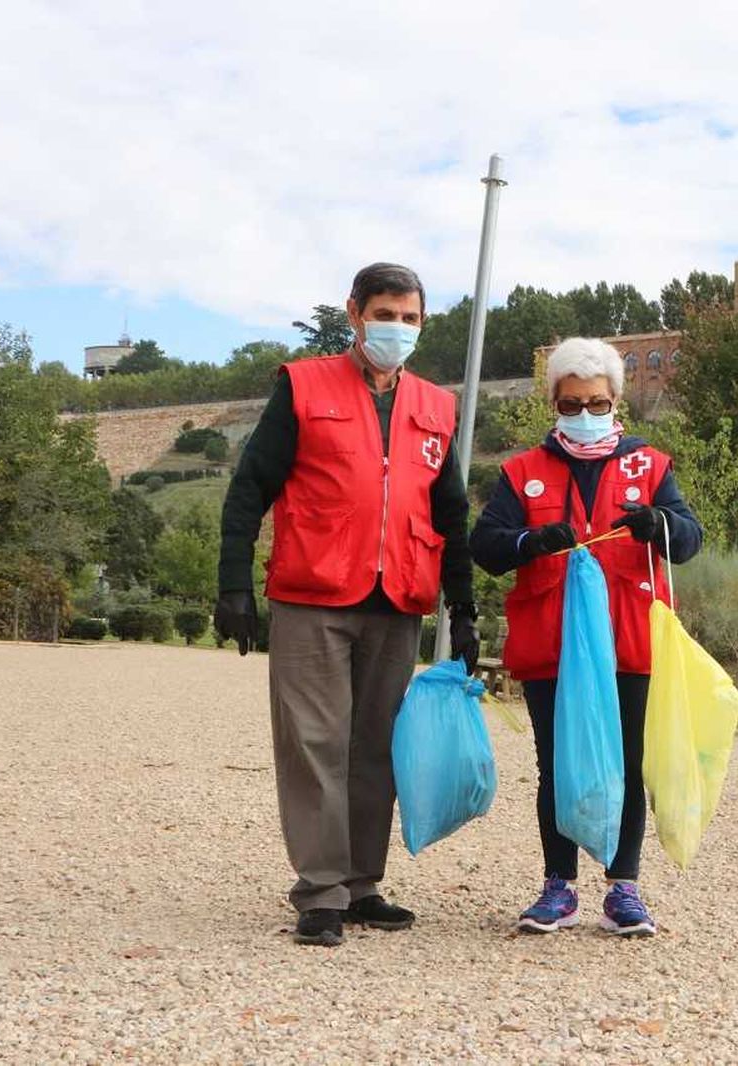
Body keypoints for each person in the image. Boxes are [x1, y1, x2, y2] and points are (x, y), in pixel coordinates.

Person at [213, 262, 480, 948]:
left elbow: (450, 514)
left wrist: (465, 606)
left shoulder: (435, 406)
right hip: (312, 592)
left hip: (398, 600)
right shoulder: (303, 386)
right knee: (314, 742)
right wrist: (233, 583)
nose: (397, 328)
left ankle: (363, 885)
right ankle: (321, 891)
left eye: (411, 318)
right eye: (385, 314)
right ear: (354, 313)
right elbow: (250, 489)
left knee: (375, 748)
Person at [471, 337, 702, 938]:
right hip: (551, 646)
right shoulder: (523, 472)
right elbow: (486, 544)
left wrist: (661, 524)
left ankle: (624, 887)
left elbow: (691, 538)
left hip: (629, 640)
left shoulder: (649, 466)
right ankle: (559, 886)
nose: (584, 412)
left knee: (626, 763)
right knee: (558, 764)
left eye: (596, 402)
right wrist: (530, 542)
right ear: (554, 401)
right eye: (571, 402)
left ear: (615, 400)